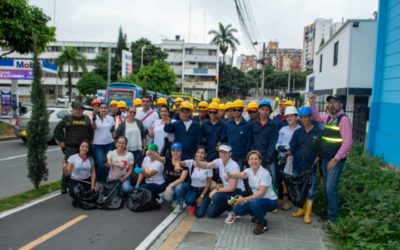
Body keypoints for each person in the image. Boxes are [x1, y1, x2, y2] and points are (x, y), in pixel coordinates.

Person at [309, 93, 353, 224]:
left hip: (335, 161)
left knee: (330, 188)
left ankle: (333, 219)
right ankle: (329, 213)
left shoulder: (343, 120)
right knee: (327, 188)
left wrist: (336, 158)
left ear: (341, 105)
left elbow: (348, 143)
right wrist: (312, 102)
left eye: (334, 102)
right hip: (325, 159)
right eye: (329, 102)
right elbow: (316, 117)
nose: (330, 105)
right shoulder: (329, 117)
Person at [224, 150, 278, 234]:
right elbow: (240, 175)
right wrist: (230, 175)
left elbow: (261, 194)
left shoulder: (265, 173)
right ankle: (258, 213)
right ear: (248, 161)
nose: (254, 161)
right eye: (251, 159)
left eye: (256, 159)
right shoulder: (249, 171)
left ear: (260, 161)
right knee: (238, 210)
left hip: (270, 201)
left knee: (254, 202)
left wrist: (244, 199)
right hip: (258, 200)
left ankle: (261, 222)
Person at [288, 106, 322, 224]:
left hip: (311, 167)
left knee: (310, 191)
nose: (304, 120)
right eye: (302, 118)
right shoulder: (298, 132)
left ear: (311, 117)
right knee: (299, 190)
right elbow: (292, 148)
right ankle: (301, 210)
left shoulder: (318, 132)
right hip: (298, 166)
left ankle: (308, 213)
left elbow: (320, 151)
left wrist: (314, 163)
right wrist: (285, 153)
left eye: (306, 117)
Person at [195, 144, 245, 219]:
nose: (223, 154)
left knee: (216, 196)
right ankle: (228, 205)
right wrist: (198, 162)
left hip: (237, 192)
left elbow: (232, 188)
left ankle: (233, 210)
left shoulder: (234, 166)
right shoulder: (218, 161)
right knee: (211, 214)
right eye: (221, 152)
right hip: (227, 191)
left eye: (225, 152)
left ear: (230, 153)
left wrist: (216, 190)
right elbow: (207, 165)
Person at [54, 101, 93, 194]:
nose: (78, 111)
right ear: (73, 109)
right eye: (76, 109)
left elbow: (91, 133)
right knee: (68, 167)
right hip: (71, 147)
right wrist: (61, 141)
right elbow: (57, 130)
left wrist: (89, 143)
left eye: (80, 109)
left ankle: (84, 184)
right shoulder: (67, 118)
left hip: (83, 148)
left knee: (85, 167)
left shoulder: (87, 119)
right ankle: (64, 187)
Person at [147, 143, 189, 214]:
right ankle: (176, 198)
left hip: (183, 184)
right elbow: (158, 157)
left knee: (179, 187)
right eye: (173, 150)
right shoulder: (167, 160)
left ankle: (180, 204)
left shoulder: (184, 162)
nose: (175, 153)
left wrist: (170, 185)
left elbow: (182, 179)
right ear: (171, 151)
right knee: (167, 198)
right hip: (172, 185)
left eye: (178, 151)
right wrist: (150, 152)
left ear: (181, 152)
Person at [275, 106, 301, 210]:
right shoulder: (283, 130)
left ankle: (290, 201)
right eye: (287, 116)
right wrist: (278, 147)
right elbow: (277, 143)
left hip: (293, 159)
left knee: (290, 181)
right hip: (282, 158)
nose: (289, 118)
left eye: (291, 116)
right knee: (279, 179)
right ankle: (280, 199)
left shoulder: (300, 130)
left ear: (296, 117)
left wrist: (292, 152)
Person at [251, 99, 278, 194]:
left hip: (269, 158)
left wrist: (268, 156)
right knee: (257, 179)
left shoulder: (273, 125)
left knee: (273, 179)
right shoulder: (253, 124)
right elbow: (251, 141)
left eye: (267, 110)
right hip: (256, 157)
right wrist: (253, 155)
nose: (264, 112)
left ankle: (274, 198)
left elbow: (273, 142)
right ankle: (260, 197)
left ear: (269, 111)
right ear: (258, 110)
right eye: (262, 109)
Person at [221, 99, 253, 170]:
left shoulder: (247, 125)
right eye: (235, 110)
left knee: (238, 177)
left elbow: (249, 143)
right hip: (228, 156)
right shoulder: (227, 124)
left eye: (239, 110)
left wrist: (246, 157)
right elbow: (223, 139)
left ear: (242, 111)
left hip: (240, 157)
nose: (237, 112)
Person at [64, 140, 96, 206]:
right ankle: (76, 199)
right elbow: (67, 174)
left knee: (91, 195)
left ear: (88, 149)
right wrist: (64, 168)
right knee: (75, 192)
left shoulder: (91, 158)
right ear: (79, 147)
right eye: (82, 146)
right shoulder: (72, 158)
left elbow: (93, 173)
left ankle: (80, 199)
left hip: (86, 181)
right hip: (75, 180)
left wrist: (93, 185)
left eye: (86, 147)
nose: (84, 148)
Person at [183, 146, 213, 218]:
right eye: (198, 152)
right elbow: (180, 162)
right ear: (195, 153)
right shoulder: (191, 162)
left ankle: (204, 203)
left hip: (204, 191)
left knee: (199, 214)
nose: (199, 154)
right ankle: (194, 204)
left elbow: (209, 183)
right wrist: (178, 165)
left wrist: (201, 196)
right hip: (193, 189)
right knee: (189, 201)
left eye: (202, 153)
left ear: (205, 155)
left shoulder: (208, 166)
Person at [92, 102, 115, 183]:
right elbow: (93, 128)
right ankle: (97, 181)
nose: (103, 109)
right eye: (101, 108)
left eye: (105, 108)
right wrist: (94, 120)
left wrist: (115, 140)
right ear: (98, 109)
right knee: (101, 164)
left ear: (107, 109)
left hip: (109, 144)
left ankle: (104, 182)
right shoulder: (95, 118)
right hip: (98, 144)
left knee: (108, 164)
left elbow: (112, 130)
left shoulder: (111, 118)